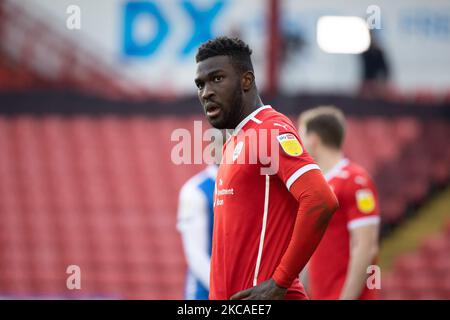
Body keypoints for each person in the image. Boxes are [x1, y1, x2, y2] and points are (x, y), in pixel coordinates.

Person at [194, 36, 338, 300]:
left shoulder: (270, 129)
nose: (206, 92)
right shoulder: (233, 143)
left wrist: (280, 281)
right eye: (200, 84)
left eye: (216, 79)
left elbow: (320, 200)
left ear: (246, 81)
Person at [298, 106, 380, 300]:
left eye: (301, 137)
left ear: (313, 139)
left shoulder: (355, 180)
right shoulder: (318, 184)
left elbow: (366, 246)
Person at [177, 131, 224, 300]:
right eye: (223, 143)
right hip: (204, 294)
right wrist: (226, 291)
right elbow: (196, 255)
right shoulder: (196, 191)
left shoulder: (251, 187)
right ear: (212, 149)